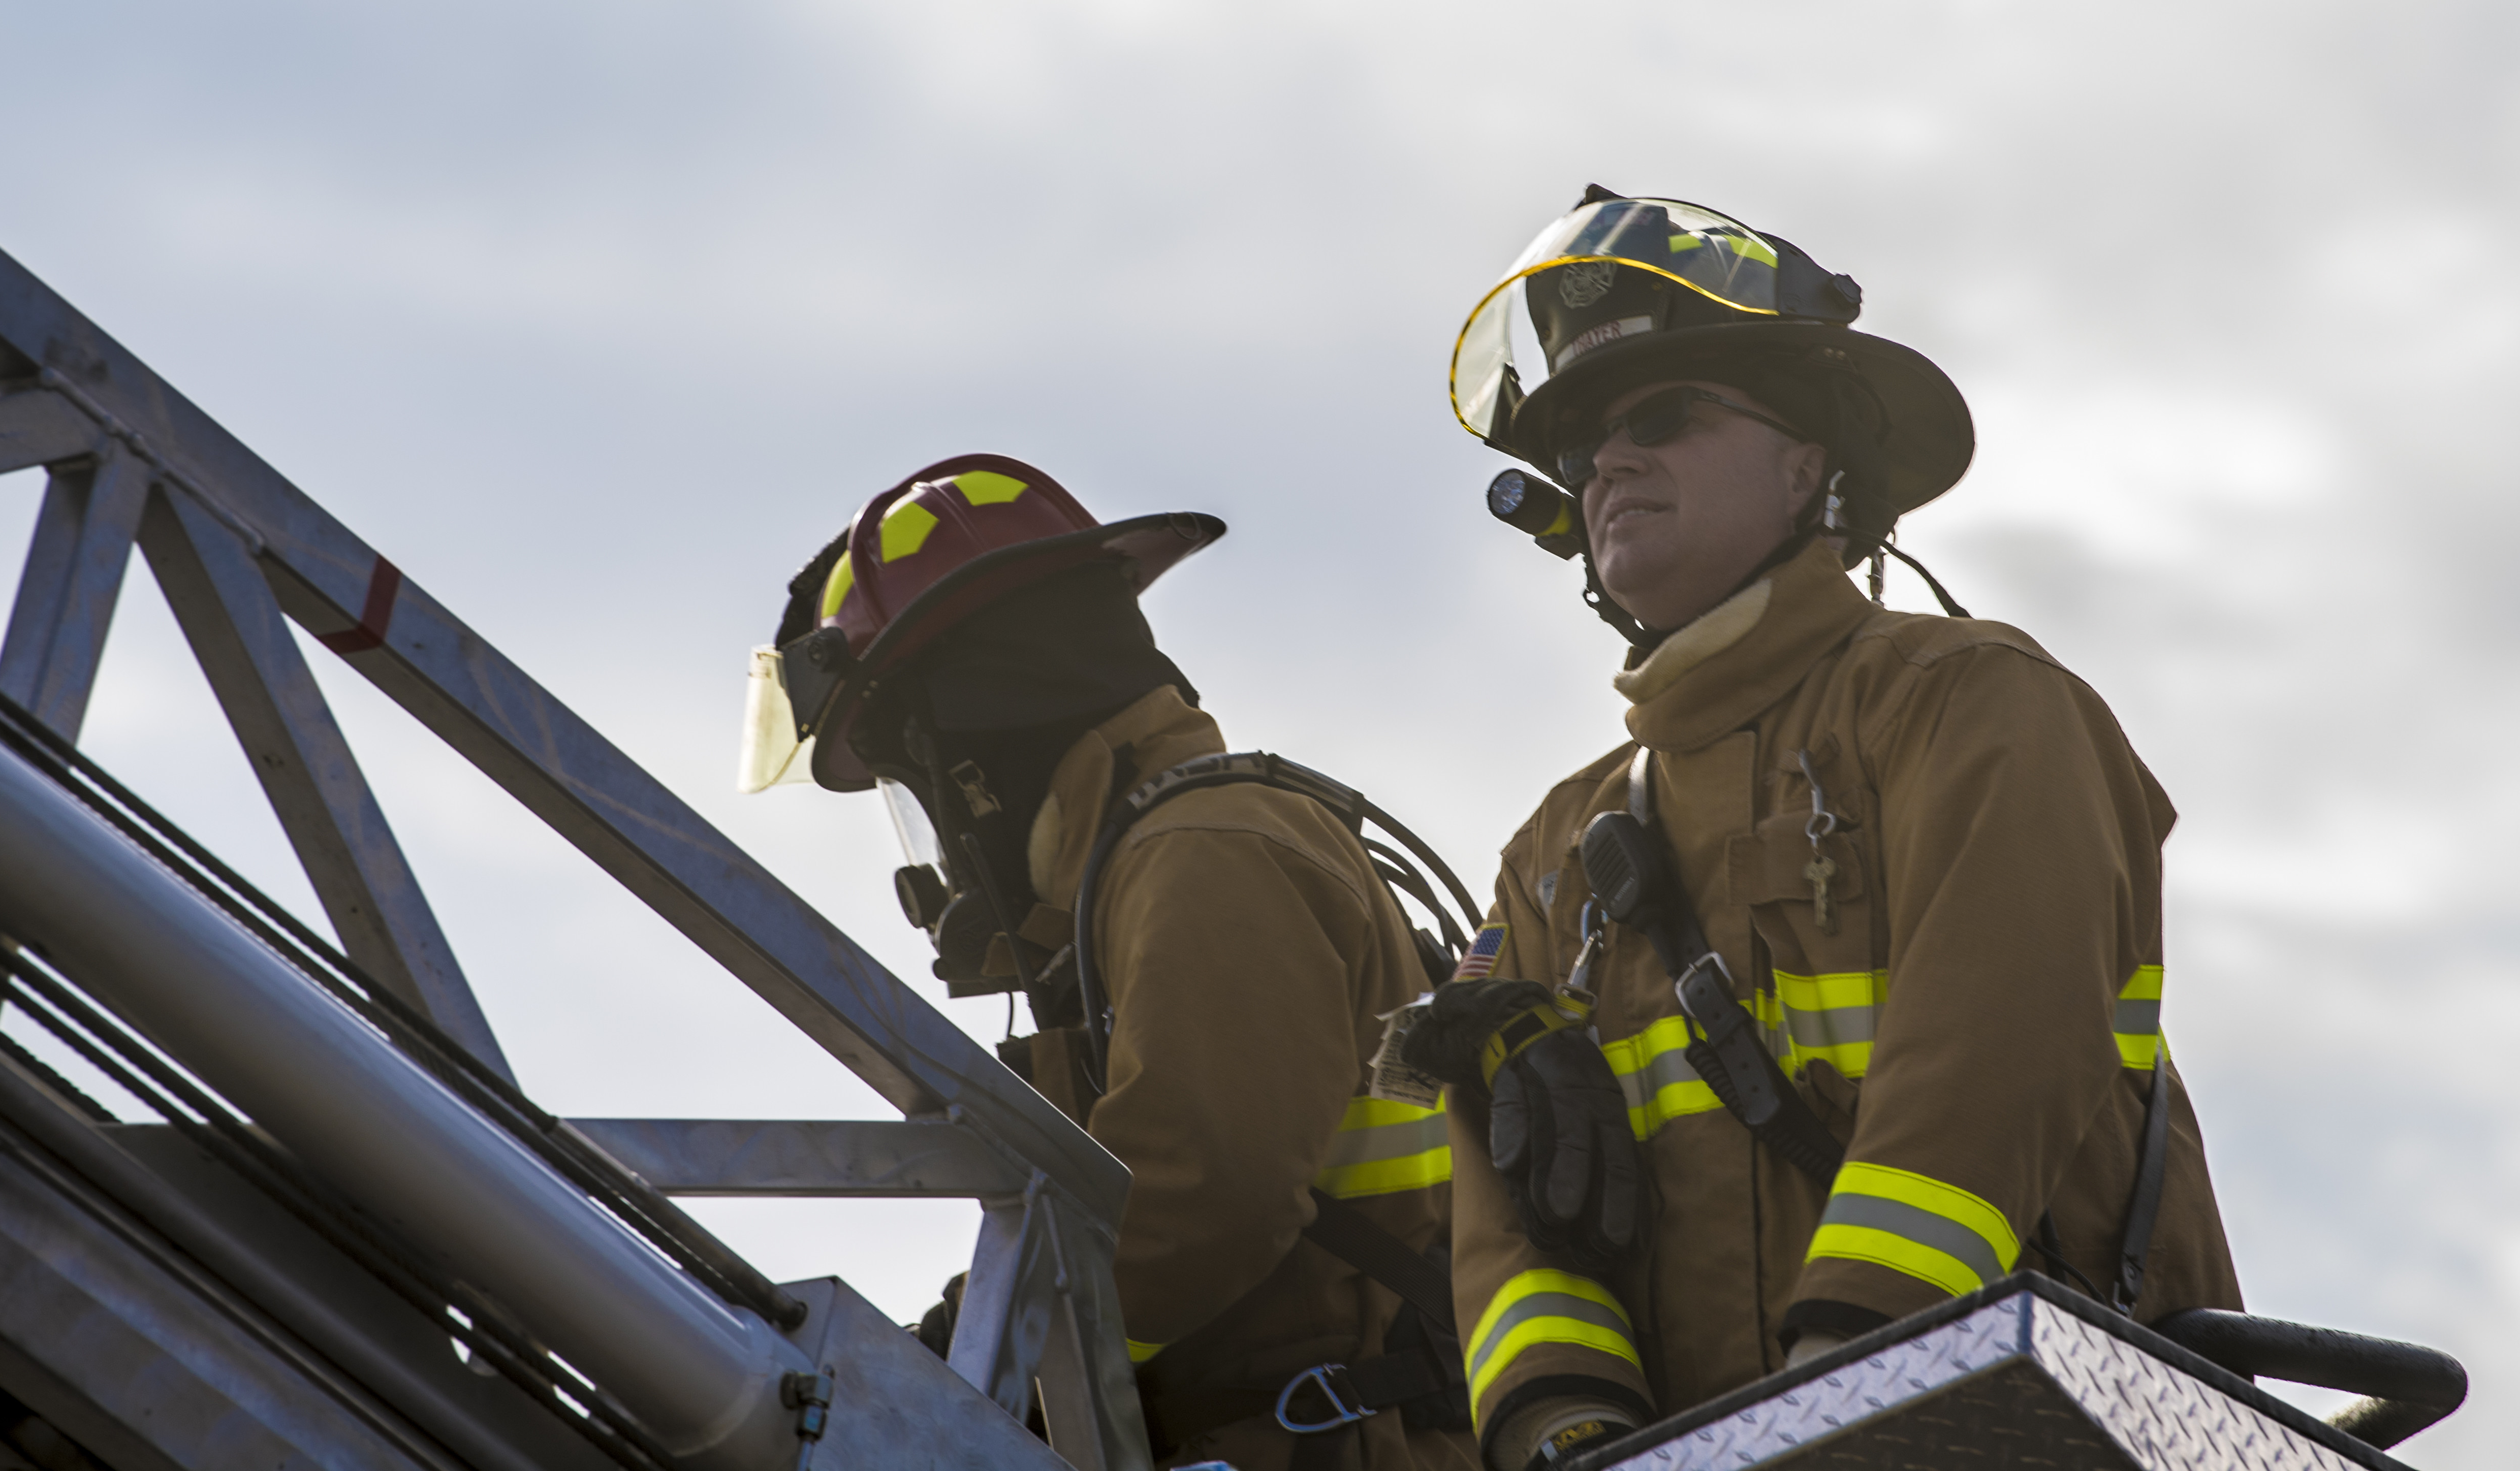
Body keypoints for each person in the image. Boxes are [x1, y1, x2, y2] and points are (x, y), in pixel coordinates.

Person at [1416, 190, 2243, 1470]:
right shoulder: (1551, 855)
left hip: (2026, 1429)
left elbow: (1996, 1052)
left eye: (1660, 417)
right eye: (1581, 445)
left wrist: (1841, 1388)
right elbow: (1511, 1226)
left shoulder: (1970, 707)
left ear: (1808, 462)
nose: (1607, 467)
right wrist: (1568, 1431)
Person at [742, 455, 1475, 1471]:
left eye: (916, 785)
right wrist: (957, 1333)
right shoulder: (1144, 872)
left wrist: (970, 1373)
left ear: (978, 749)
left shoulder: (1201, 852)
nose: (942, 843)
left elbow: (1195, 1199)